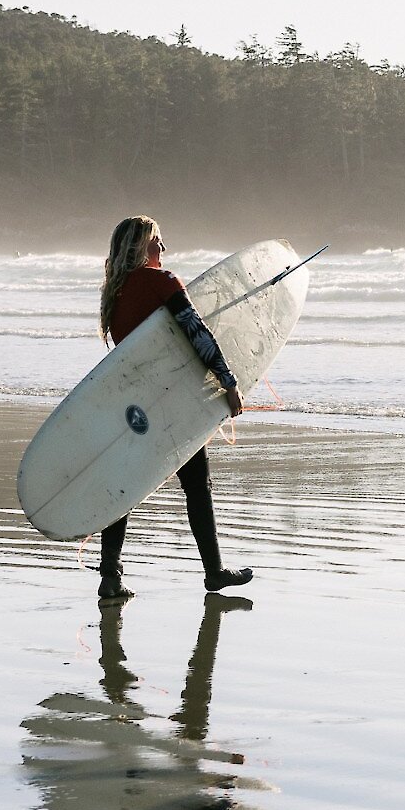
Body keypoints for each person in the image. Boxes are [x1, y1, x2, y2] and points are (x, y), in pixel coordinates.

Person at [93, 216, 253, 599]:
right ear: (141, 247)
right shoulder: (163, 283)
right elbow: (197, 333)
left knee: (127, 488)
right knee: (197, 485)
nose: (163, 249)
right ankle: (213, 573)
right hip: (171, 402)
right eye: (157, 242)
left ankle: (110, 575)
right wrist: (229, 383)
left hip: (134, 405)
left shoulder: (113, 293)